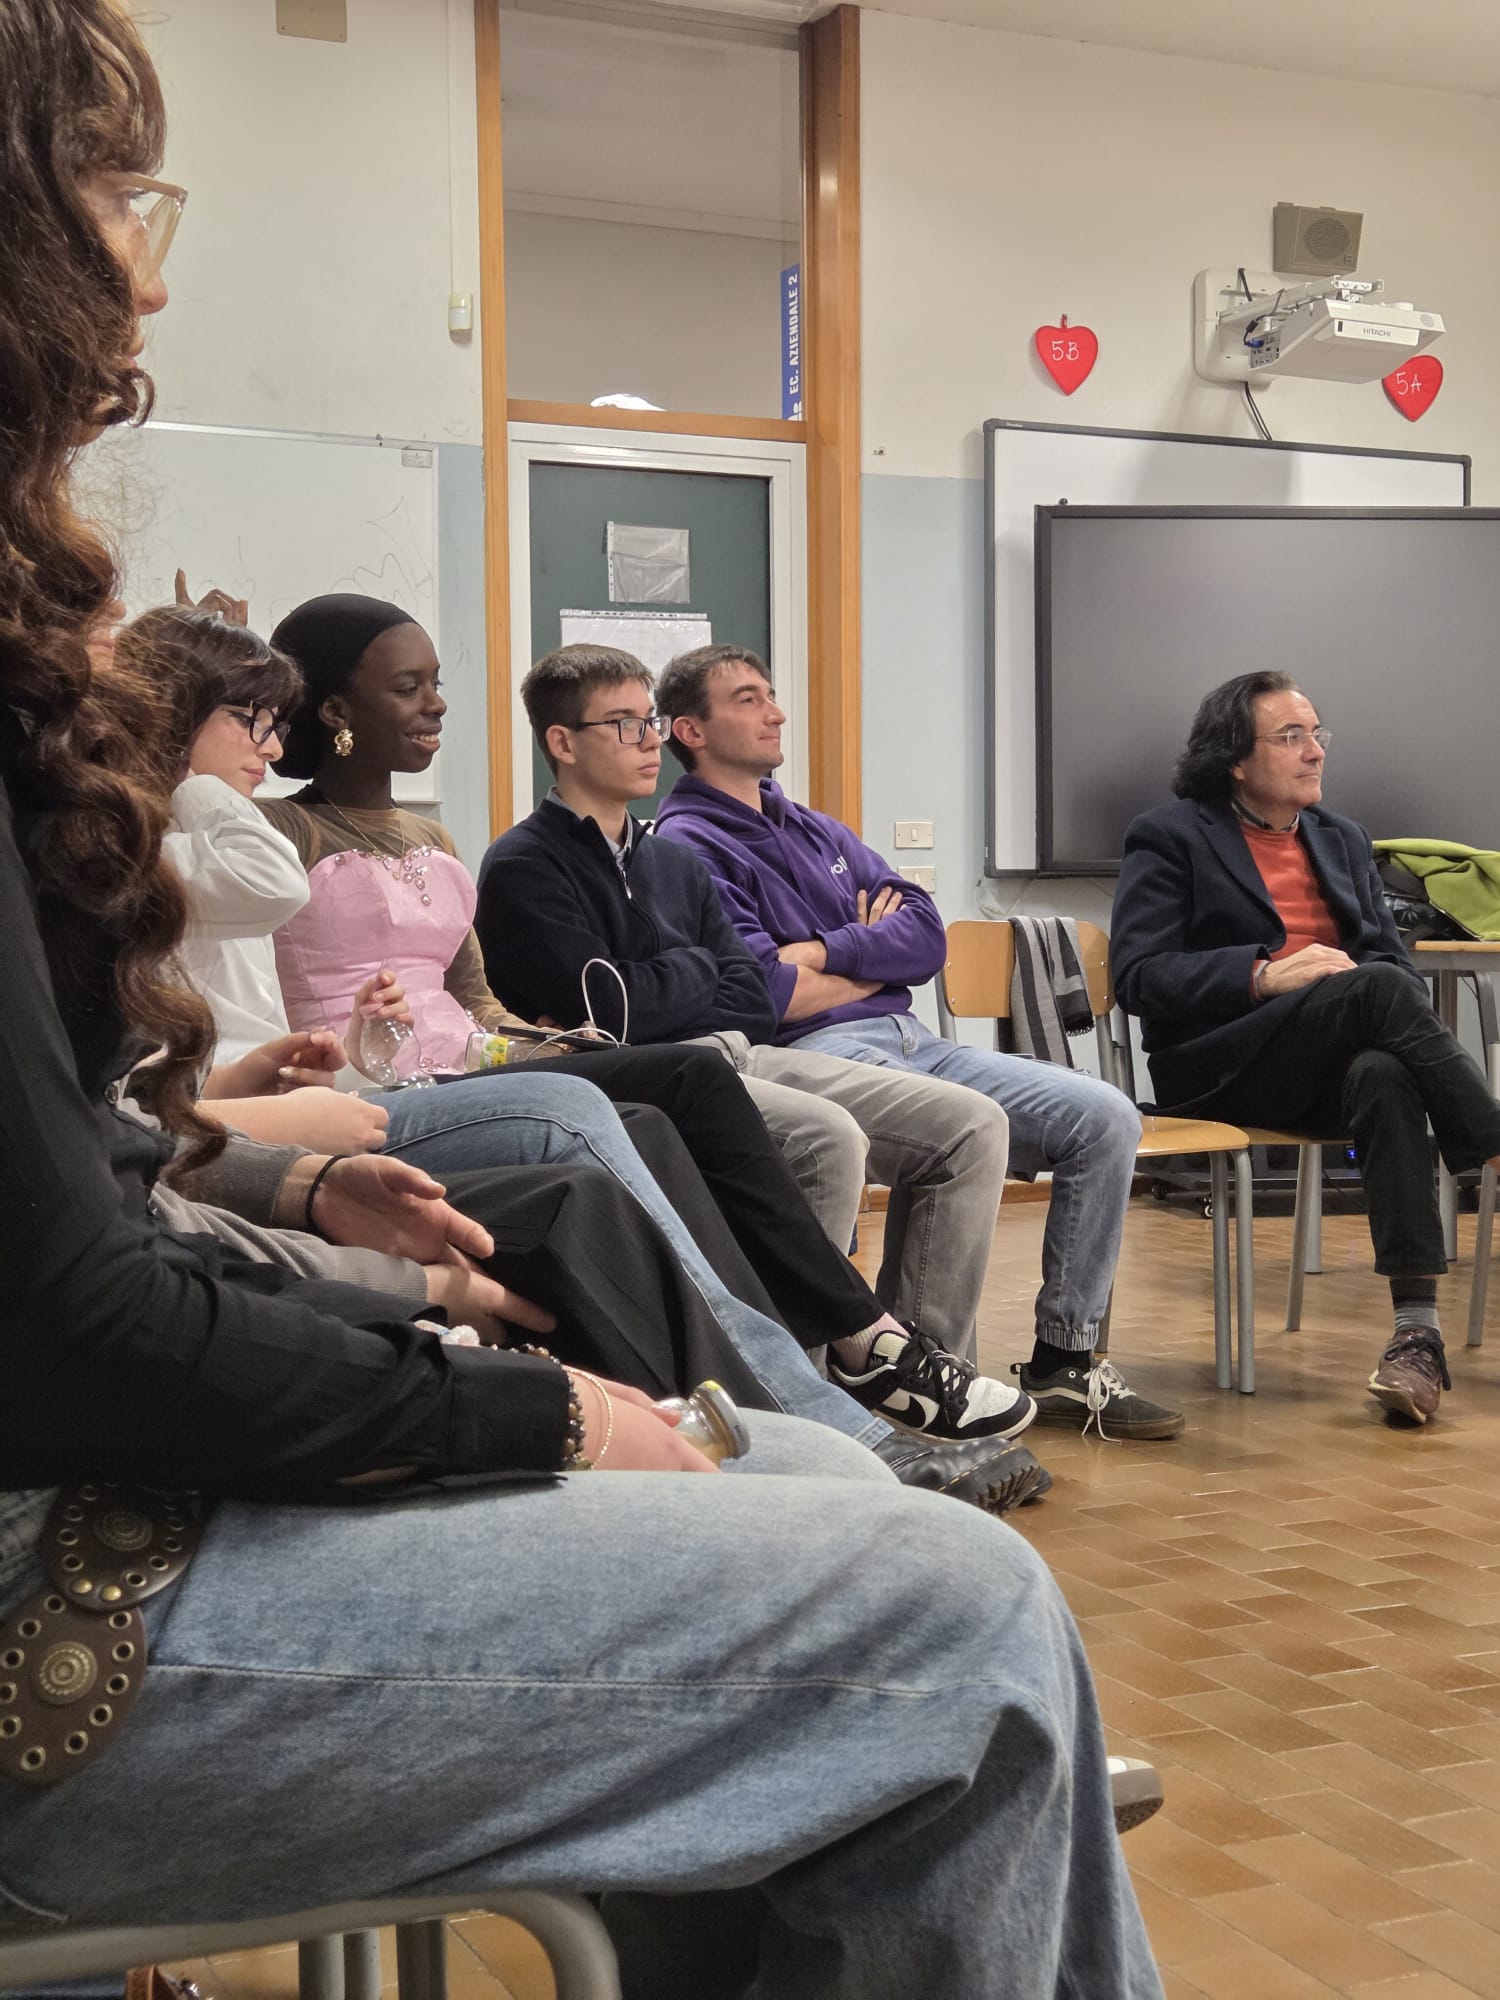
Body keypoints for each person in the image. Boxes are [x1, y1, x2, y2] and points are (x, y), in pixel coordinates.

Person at [0, 11, 1167, 1988]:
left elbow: (833, 941)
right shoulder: (506, 843)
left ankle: (855, 1421)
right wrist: (522, 1406)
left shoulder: (684, 837)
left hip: (122, 1406)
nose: (152, 275)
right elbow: (74, 1323)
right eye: (115, 203)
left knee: (797, 1408)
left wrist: (289, 1190)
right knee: (958, 1616)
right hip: (56, 1585)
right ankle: (896, 1521)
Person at [113, 601, 1042, 1499]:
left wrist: (532, 1043)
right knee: (623, 1097)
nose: (437, 704)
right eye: (408, 687)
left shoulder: (497, 841)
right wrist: (175, 758)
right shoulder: (267, 835)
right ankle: (842, 1378)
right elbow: (641, 992)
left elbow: (515, 999)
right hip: (369, 1085)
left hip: (454, 1058)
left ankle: (829, 1369)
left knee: (671, 1102)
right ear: (336, 711)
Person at [653, 645, 1184, 1443]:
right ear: (691, 730)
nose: (776, 712)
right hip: (815, 1051)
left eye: (771, 694)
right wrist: (870, 956)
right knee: (963, 1127)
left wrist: (826, 952)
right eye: (748, 699)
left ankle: (1064, 1359)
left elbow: (926, 936)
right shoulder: (688, 843)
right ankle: (920, 1378)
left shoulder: (814, 827)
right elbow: (765, 994)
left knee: (1106, 1116)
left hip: (911, 1038)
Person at [476, 642, 1023, 1397]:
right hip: (650, 1079)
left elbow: (750, 997)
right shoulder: (524, 864)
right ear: (563, 743)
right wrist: (702, 972)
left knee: (973, 1124)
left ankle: (919, 1381)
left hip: (738, 1053)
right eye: (625, 725)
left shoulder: (670, 863)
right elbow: (606, 1011)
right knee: (828, 1138)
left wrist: (684, 981)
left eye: (650, 721)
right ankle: (806, 1391)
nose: (650, 742)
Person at [1111, 670, 1500, 1426]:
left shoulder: (1341, 838)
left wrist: (1351, 982)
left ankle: (1416, 1337)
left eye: (1317, 734)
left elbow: (1388, 961)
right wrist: (1262, 975)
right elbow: (1139, 977)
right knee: (1376, 992)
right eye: (1291, 737)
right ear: (1235, 757)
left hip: (1323, 1062)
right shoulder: (1169, 835)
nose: (1315, 751)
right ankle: (1489, 1144)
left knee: (1385, 1070)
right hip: (1222, 1067)